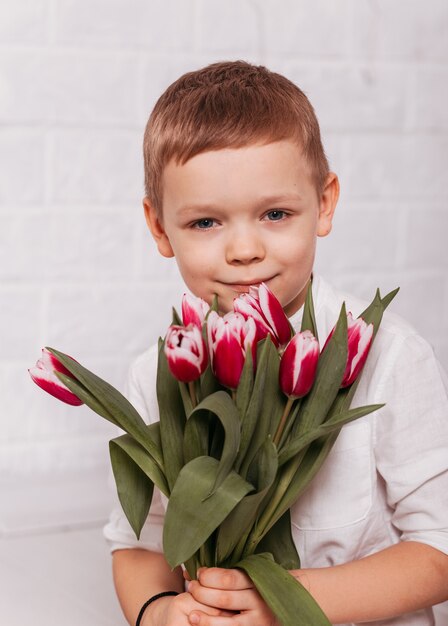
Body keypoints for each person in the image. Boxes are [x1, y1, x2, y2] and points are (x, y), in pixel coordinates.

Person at [103, 61, 448, 626]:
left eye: (275, 214)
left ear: (325, 203)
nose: (244, 250)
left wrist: (281, 603)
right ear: (160, 227)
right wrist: (160, 613)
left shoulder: (388, 357)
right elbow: (140, 545)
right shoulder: (162, 371)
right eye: (206, 223)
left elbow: (439, 550)